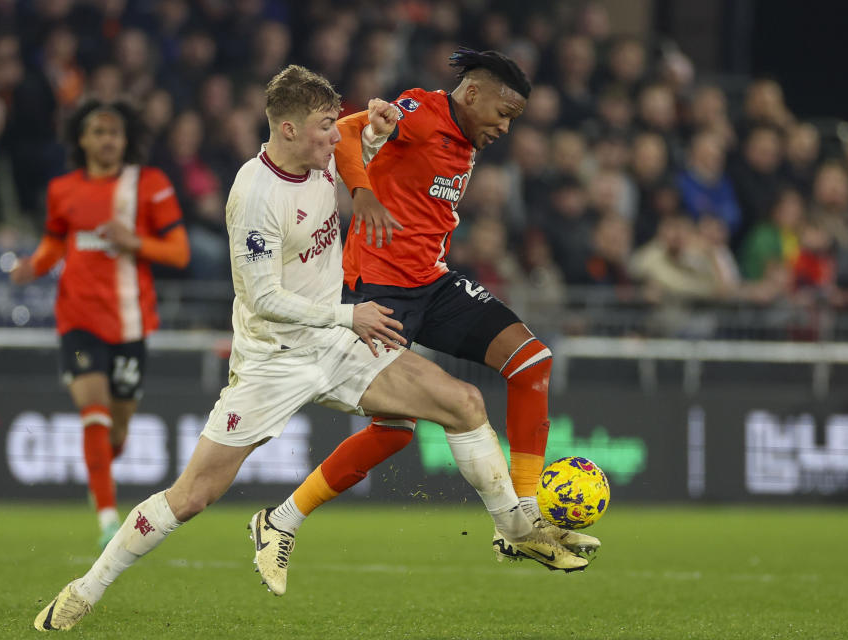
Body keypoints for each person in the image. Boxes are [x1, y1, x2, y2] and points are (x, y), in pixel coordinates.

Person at [33, 64, 586, 633]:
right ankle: (84, 589)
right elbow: (263, 297)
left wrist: (374, 125)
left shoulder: (321, 163)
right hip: (274, 361)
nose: (336, 137)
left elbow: (363, 139)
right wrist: (350, 313)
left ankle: (517, 530)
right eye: (327, 126)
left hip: (337, 343)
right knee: (193, 495)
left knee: (465, 403)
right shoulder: (254, 194)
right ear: (289, 129)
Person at [255, 49, 600, 593]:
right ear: (471, 94)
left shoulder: (464, 138)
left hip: (431, 284)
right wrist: (362, 191)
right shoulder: (418, 110)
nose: (506, 127)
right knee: (395, 432)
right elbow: (345, 135)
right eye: (503, 112)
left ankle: (524, 513)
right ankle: (280, 520)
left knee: (532, 360)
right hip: (375, 291)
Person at [10, 99, 190, 549]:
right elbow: (55, 243)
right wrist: (33, 265)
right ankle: (108, 517)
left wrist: (135, 241)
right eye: (98, 132)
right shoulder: (63, 190)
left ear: (126, 140)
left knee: (118, 429)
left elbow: (180, 253)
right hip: (77, 320)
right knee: (93, 408)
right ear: (82, 139)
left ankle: (100, 472)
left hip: (131, 323)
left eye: (115, 132)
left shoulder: (149, 185)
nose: (107, 140)